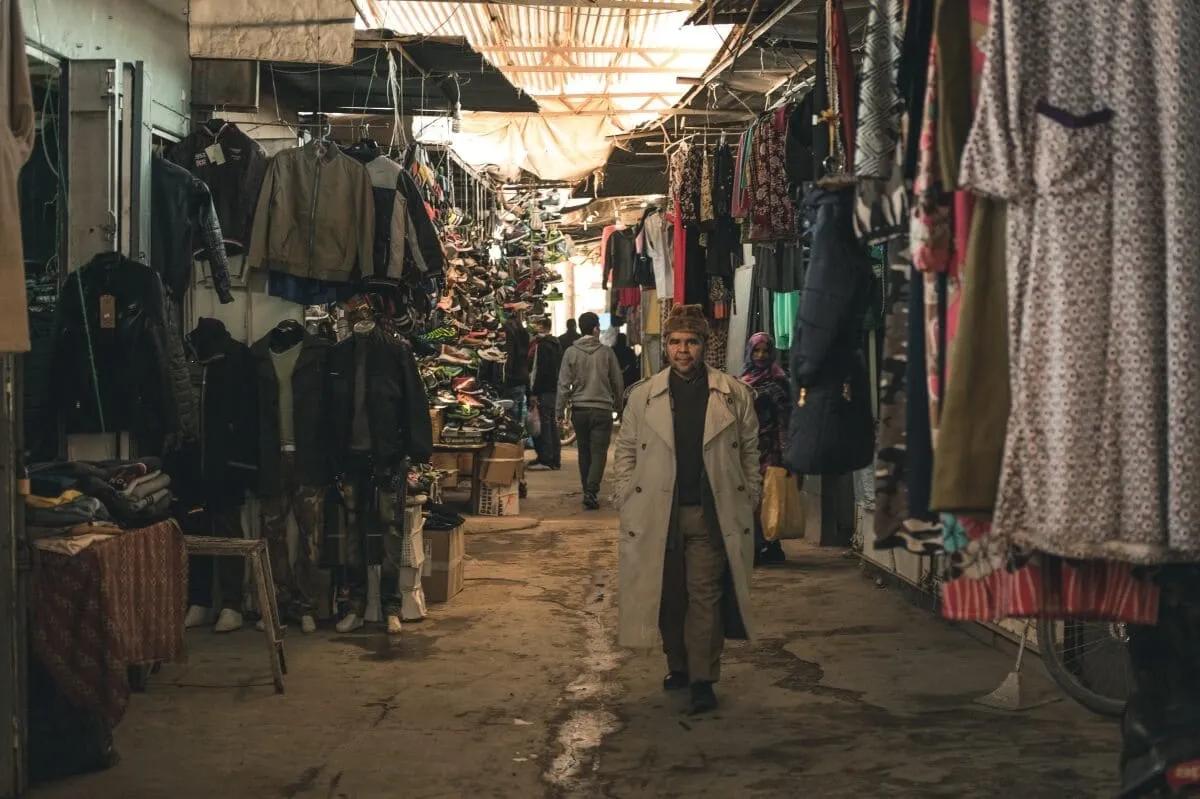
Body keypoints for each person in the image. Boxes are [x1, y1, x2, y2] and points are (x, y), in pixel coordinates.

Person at [612, 304, 761, 715]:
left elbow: (750, 452)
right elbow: (625, 451)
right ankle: (677, 664)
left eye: (692, 341)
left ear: (705, 345)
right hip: (657, 513)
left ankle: (702, 678)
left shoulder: (733, 394)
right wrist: (626, 494)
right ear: (666, 347)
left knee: (705, 597)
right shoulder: (643, 396)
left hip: (710, 514)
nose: (683, 350)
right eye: (676, 342)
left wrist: (750, 497)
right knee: (669, 596)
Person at [556, 312, 624, 510]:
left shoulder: (570, 352)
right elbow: (617, 382)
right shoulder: (607, 353)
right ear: (595, 329)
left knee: (584, 452)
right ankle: (591, 491)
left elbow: (563, 384)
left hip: (580, 410)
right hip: (602, 410)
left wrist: (559, 411)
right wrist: (620, 406)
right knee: (599, 453)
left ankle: (588, 490)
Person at [740, 332, 792, 565]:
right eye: (756, 351)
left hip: (771, 449)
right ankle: (755, 546)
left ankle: (770, 546)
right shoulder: (743, 380)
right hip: (749, 448)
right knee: (749, 497)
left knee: (768, 497)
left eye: (765, 351)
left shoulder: (779, 380)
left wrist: (786, 453)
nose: (761, 356)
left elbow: (786, 420)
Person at [528, 317, 563, 470]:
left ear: (543, 326)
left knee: (546, 424)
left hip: (544, 389)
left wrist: (534, 391)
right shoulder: (556, 344)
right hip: (554, 388)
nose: (534, 326)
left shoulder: (542, 345)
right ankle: (554, 458)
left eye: (537, 324)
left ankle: (547, 459)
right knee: (551, 424)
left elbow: (539, 370)